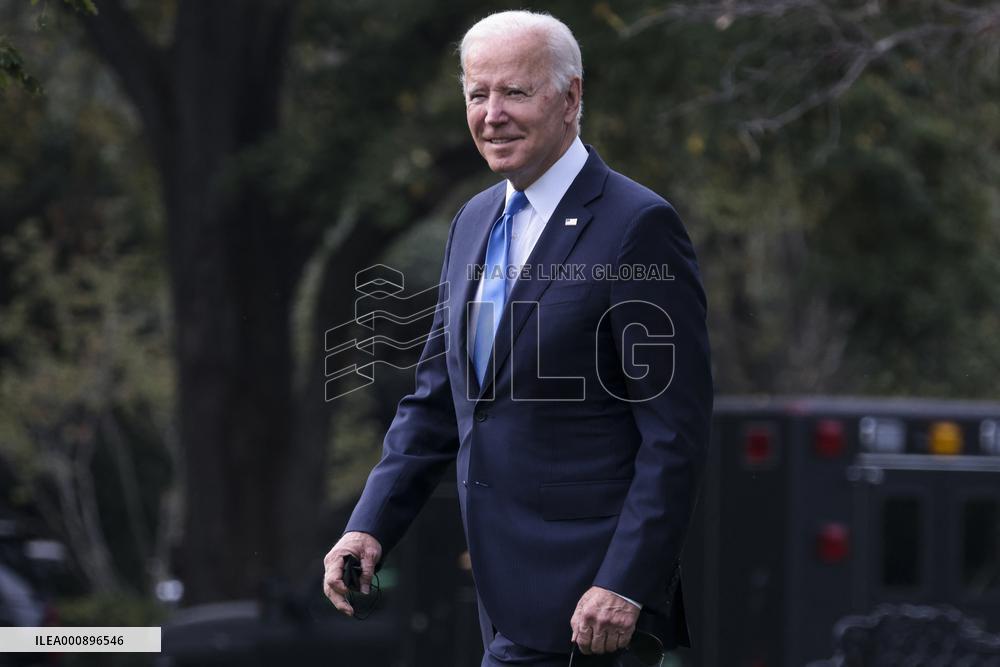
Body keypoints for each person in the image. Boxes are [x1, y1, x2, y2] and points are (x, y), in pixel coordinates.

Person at [323, 10, 713, 667]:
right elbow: (437, 400)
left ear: (571, 97)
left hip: (593, 608)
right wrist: (369, 525)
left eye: (515, 92)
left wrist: (625, 582)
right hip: (504, 599)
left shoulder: (639, 226)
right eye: (478, 94)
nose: (492, 114)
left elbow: (675, 432)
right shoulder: (474, 221)